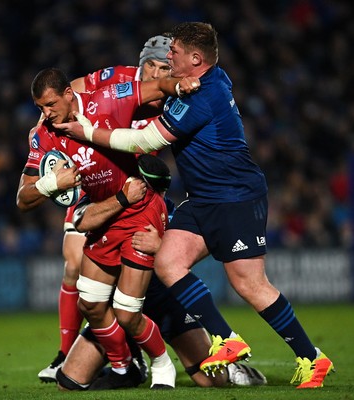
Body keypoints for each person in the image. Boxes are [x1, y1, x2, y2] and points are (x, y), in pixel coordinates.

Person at [54, 22, 334, 389]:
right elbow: (85, 87)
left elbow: (144, 140)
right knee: (168, 261)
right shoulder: (202, 79)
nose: (169, 59)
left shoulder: (201, 97)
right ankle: (227, 340)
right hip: (203, 199)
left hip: (235, 197)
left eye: (175, 54)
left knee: (249, 283)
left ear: (196, 59)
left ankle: (312, 358)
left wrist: (86, 132)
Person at [16, 67, 199, 390]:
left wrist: (180, 85)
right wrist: (50, 183)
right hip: (105, 214)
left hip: (140, 210)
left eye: (50, 104)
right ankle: (124, 366)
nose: (45, 114)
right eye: (40, 108)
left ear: (69, 95)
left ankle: (161, 364)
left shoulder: (108, 100)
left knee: (127, 312)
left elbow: (156, 87)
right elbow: (23, 198)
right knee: (91, 304)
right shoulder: (42, 135)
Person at [56, 153, 267, 390]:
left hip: (162, 301)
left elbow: (196, 248)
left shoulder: (167, 210)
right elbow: (81, 221)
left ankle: (232, 370)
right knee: (69, 382)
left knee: (210, 379)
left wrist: (161, 247)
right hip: (117, 309)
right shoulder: (102, 198)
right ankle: (131, 362)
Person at [37, 34, 174, 383]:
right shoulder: (119, 82)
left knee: (138, 293)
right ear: (141, 64)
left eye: (164, 69)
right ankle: (68, 353)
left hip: (137, 196)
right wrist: (48, 115)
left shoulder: (175, 103)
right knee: (73, 266)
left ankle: (203, 344)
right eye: (151, 66)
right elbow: (74, 87)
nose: (155, 74)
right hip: (93, 193)